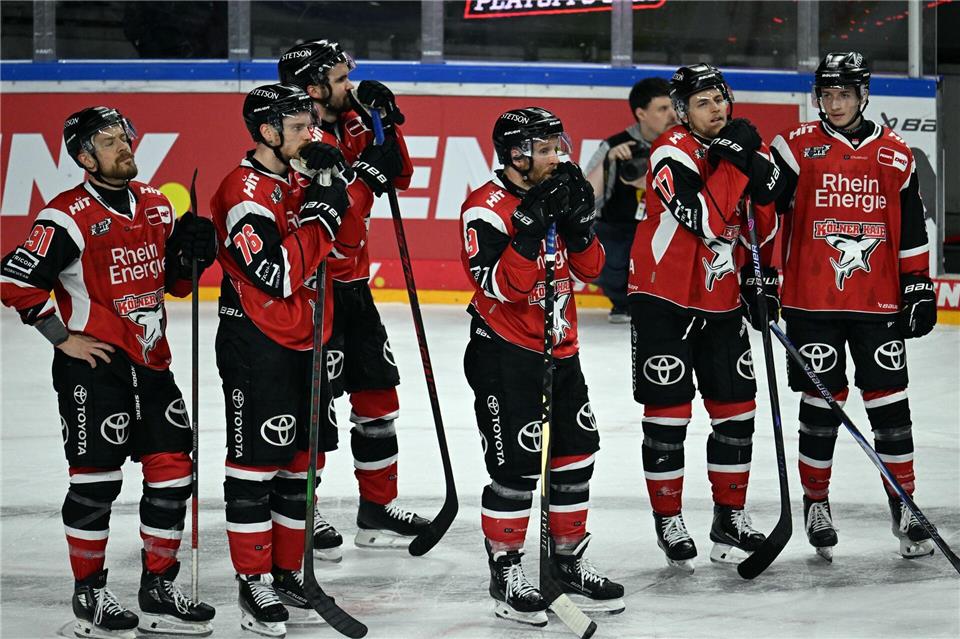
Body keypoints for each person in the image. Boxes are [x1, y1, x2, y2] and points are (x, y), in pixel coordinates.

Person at [0, 106, 217, 637]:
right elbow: (14, 279)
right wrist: (61, 337)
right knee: (96, 485)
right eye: (109, 140)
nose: (125, 147)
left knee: (174, 474)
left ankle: (158, 587)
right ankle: (89, 593)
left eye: (126, 136)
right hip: (94, 370)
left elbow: (173, 285)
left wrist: (192, 259)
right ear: (82, 156)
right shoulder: (66, 216)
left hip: (153, 362)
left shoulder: (157, 205)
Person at [459, 106, 625, 626]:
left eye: (559, 145)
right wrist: (528, 229)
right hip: (505, 353)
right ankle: (505, 570)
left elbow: (593, 271)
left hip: (562, 348)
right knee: (516, 469)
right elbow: (503, 289)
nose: (559, 156)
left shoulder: (559, 193)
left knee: (575, 455)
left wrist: (578, 224)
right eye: (548, 148)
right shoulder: (483, 208)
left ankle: (566, 560)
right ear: (516, 154)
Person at [769, 52, 936, 561]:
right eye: (827, 94)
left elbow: (909, 229)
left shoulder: (896, 153)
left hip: (876, 300)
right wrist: (765, 276)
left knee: (890, 404)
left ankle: (904, 503)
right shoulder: (794, 148)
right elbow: (766, 214)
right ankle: (816, 502)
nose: (834, 103)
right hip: (810, 300)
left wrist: (918, 286)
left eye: (844, 94)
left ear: (864, 95)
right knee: (822, 403)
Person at [210, 83, 359, 636]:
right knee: (255, 467)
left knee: (303, 466)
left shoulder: (299, 176)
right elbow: (275, 275)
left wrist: (329, 182)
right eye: (297, 128)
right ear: (267, 132)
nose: (310, 135)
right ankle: (253, 583)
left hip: (308, 339)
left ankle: (286, 570)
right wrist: (320, 216)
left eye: (310, 125)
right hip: (258, 343)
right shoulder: (242, 193)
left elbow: (340, 252)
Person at [277, 38, 430, 558]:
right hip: (311, 290)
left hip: (354, 286)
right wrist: (366, 175)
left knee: (378, 396)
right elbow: (336, 221)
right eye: (341, 80)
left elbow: (398, 173)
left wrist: (384, 120)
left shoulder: (354, 119)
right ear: (313, 87)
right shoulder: (297, 141)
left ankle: (376, 508)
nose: (350, 86)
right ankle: (302, 510)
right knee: (313, 406)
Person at [627, 64, 783, 571]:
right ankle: (668, 518)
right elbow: (711, 223)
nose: (716, 109)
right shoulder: (670, 152)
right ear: (682, 112)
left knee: (737, 411)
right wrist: (739, 163)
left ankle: (729, 517)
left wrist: (765, 279)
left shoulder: (742, 145)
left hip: (721, 300)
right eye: (702, 103)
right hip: (663, 299)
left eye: (720, 99)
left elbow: (765, 222)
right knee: (669, 416)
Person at [584, 77, 677, 323]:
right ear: (641, 113)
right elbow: (585, 200)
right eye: (663, 109)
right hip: (622, 230)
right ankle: (623, 301)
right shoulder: (615, 145)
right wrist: (609, 161)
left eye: (673, 107)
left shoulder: (683, 143)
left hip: (670, 227)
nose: (672, 115)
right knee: (604, 245)